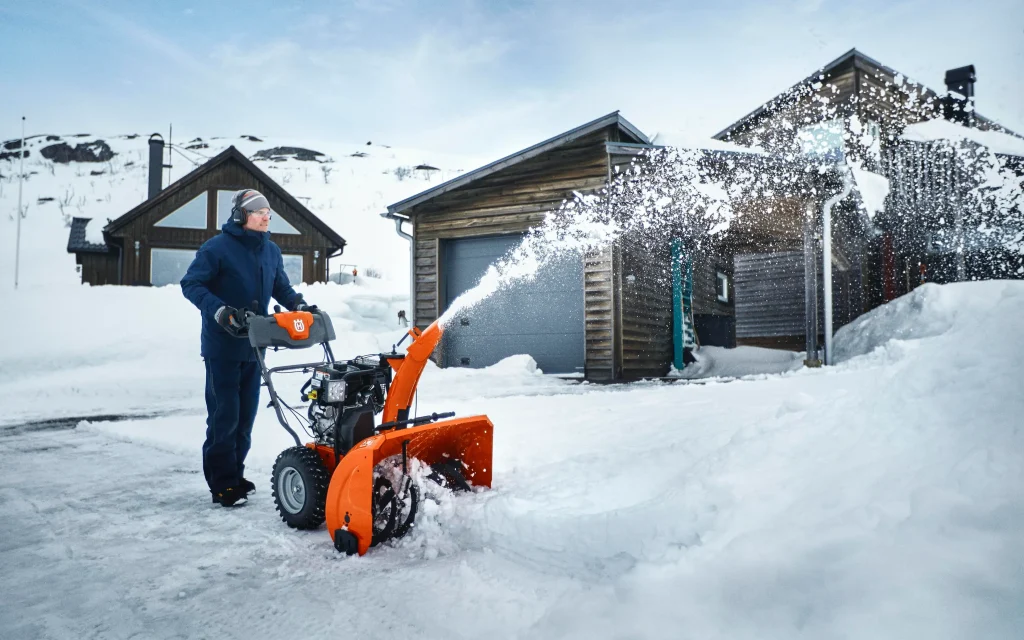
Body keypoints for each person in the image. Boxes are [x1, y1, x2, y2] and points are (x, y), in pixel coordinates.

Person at [181, 189, 316, 507]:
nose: (266, 216)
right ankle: (222, 484)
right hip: (222, 346)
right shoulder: (216, 249)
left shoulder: (270, 251)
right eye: (259, 211)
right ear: (241, 216)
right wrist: (220, 311)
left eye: (269, 212)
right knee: (224, 416)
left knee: (245, 418)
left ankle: (236, 476)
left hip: (256, 344)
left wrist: (298, 304)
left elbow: (280, 285)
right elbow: (192, 284)